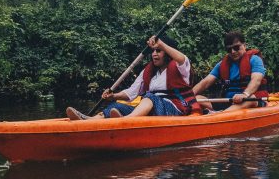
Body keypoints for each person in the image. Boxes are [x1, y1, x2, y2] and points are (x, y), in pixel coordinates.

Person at [66, 35, 199, 120]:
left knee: (149, 97)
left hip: (176, 111)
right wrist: (113, 96)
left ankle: (126, 121)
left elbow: (182, 58)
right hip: (152, 110)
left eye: (158, 51)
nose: (154, 54)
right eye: (153, 51)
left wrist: (162, 44)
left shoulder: (180, 67)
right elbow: (131, 92)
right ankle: (90, 120)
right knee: (116, 106)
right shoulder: (149, 71)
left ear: (167, 53)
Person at [192, 30, 268, 112]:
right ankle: (218, 113)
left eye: (236, 47)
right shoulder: (222, 65)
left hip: (250, 100)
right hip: (228, 101)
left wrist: (244, 94)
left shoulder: (254, 59)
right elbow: (205, 82)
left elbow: (256, 80)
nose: (233, 51)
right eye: (229, 49)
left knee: (250, 98)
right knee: (196, 98)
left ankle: (219, 116)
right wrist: (187, 97)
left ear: (244, 45)